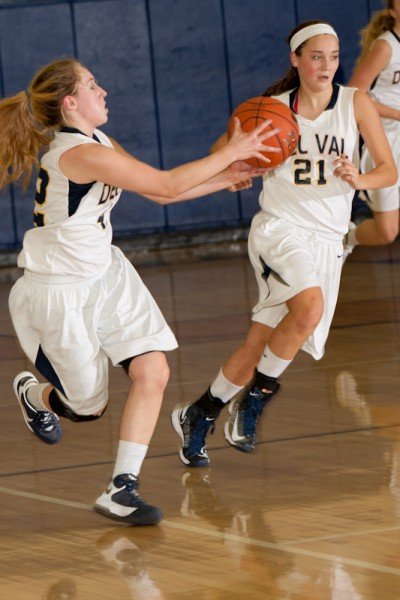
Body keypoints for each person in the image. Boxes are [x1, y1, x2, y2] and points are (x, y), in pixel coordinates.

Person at [0, 57, 279, 525]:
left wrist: (221, 180)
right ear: (71, 103)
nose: (103, 90)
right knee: (87, 408)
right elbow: (165, 182)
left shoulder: (99, 142)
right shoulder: (77, 154)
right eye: (92, 85)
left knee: (154, 371)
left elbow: (161, 193)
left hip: (105, 274)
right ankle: (35, 394)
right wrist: (233, 150)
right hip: (59, 292)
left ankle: (121, 488)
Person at [171, 20, 397, 467]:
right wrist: (231, 172)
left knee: (260, 343)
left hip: (328, 239)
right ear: (296, 59)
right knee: (308, 308)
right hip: (281, 229)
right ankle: (253, 403)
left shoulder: (356, 103)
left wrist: (361, 178)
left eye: (333, 57)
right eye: (316, 56)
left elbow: (389, 171)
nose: (327, 66)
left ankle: (199, 413)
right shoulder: (269, 110)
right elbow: (223, 152)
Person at [346, 0, 400, 257]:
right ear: (392, 12)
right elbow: (354, 94)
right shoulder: (385, 46)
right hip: (382, 139)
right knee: (386, 232)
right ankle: (346, 238)